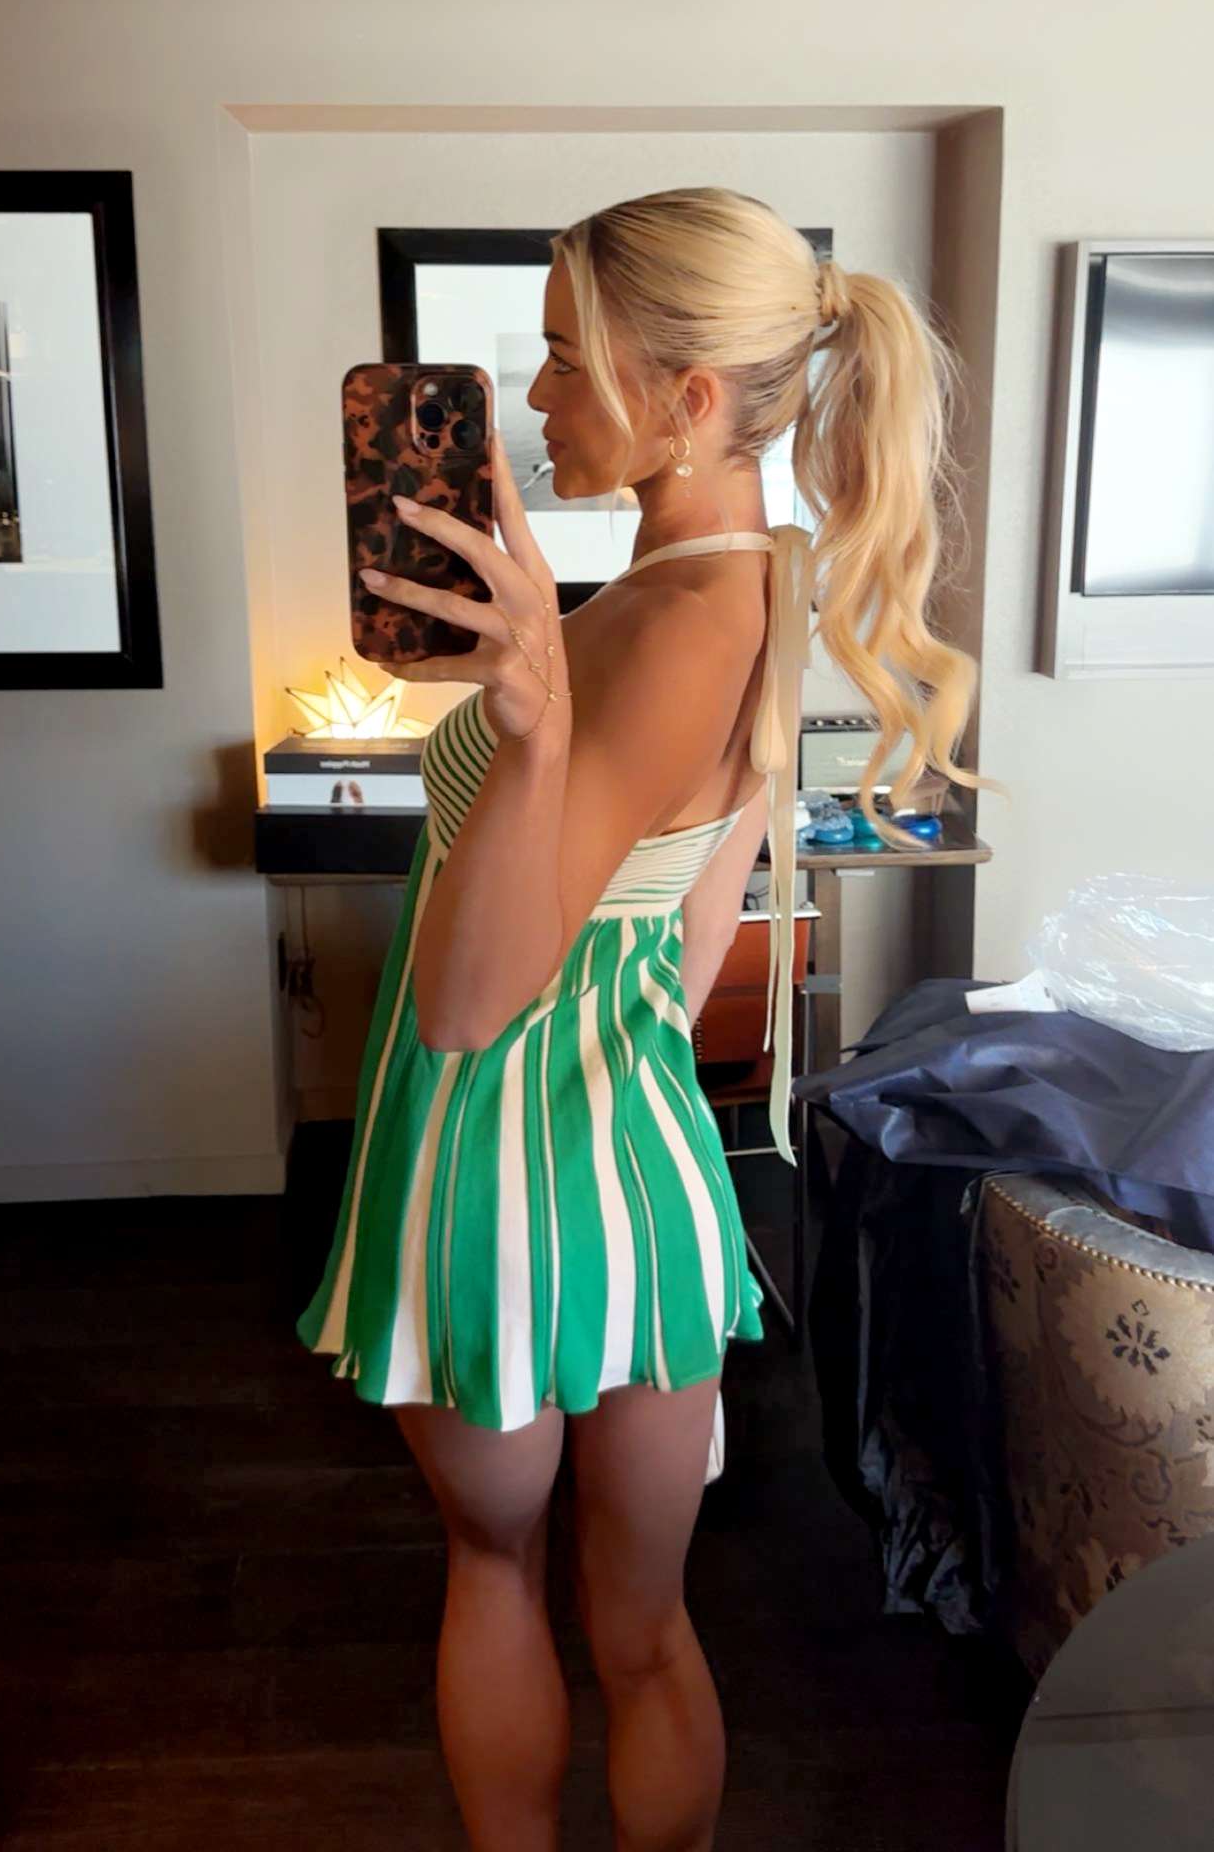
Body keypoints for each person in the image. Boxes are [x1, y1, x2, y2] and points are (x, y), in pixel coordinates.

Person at [295, 186, 979, 1851]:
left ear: (684, 397)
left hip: (487, 1161)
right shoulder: (759, 586)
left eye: (558, 358)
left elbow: (463, 1008)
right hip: (640, 1153)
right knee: (650, 1624)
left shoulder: (664, 623)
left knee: (493, 1566)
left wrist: (529, 731)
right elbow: (684, 946)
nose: (529, 398)